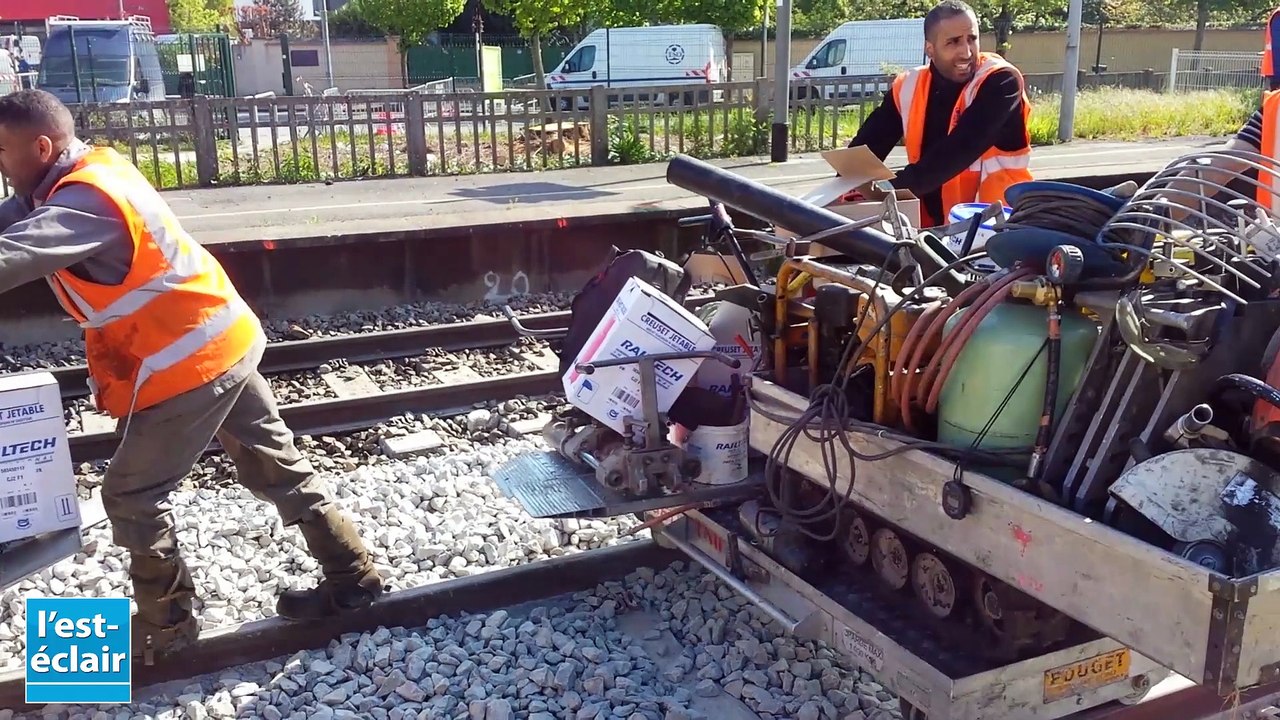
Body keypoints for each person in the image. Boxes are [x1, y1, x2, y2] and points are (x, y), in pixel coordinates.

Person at [0, 90, 385, 661]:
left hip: (190, 361)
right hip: (220, 335)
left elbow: (11, 254)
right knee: (275, 464)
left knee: (130, 494)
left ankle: (168, 630)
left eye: (2, 153)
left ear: (39, 146)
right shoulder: (82, 173)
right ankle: (353, 577)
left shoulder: (85, 202)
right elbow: (14, 219)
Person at [844, 0, 1034, 228]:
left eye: (972, 39)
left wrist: (885, 189)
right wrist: (843, 189)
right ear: (930, 49)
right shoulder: (908, 86)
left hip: (994, 229)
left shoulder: (1001, 80)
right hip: (933, 229)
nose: (966, 52)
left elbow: (957, 151)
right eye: (953, 42)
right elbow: (866, 148)